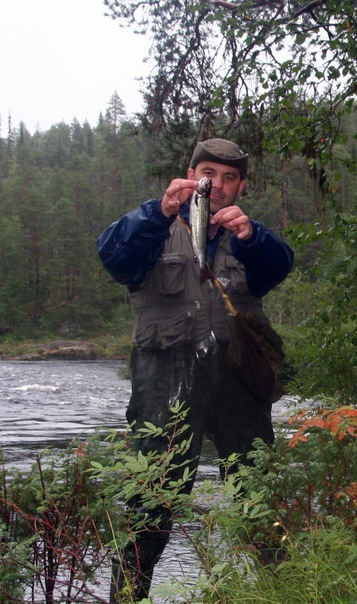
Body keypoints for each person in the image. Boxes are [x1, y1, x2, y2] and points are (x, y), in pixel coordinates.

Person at [97, 138, 294, 601]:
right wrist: (159, 211)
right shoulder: (153, 228)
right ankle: (128, 595)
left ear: (241, 186)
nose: (218, 185)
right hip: (164, 378)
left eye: (230, 177)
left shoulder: (247, 238)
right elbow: (113, 255)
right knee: (153, 498)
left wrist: (254, 237)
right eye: (209, 174)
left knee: (256, 488)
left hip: (238, 379)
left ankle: (285, 588)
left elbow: (280, 265)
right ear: (191, 176)